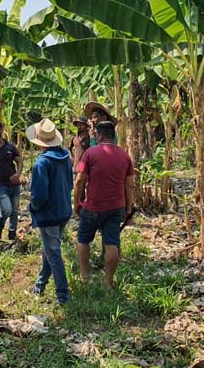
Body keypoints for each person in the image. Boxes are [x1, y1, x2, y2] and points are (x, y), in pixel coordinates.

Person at [73, 121, 135, 290]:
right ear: (113, 136)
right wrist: (128, 208)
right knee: (111, 243)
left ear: (99, 135)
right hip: (116, 207)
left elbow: (80, 180)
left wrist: (76, 202)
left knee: (83, 239)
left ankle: (85, 275)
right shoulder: (124, 156)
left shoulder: (90, 153)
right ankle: (109, 282)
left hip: (93, 206)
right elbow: (129, 185)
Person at [26, 118, 73, 305]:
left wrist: (33, 208)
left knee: (53, 255)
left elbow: (39, 195)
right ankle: (40, 285)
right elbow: (69, 184)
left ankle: (63, 296)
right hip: (63, 210)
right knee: (49, 250)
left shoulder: (41, 164)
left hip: (49, 215)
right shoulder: (65, 157)